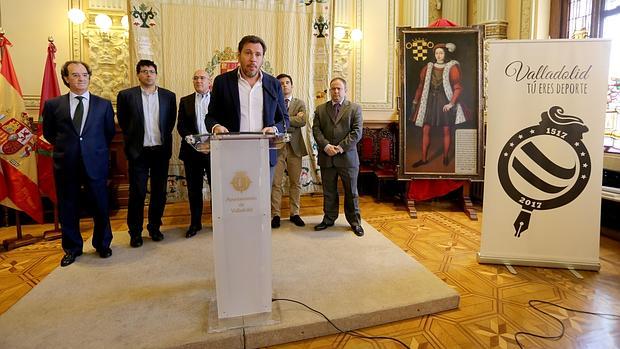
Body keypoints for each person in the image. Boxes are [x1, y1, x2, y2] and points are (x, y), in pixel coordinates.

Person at [42, 60, 115, 266]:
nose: (81, 78)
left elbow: (108, 133)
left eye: (84, 74)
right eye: (75, 75)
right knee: (68, 207)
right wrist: (70, 148)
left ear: (89, 77)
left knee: (100, 206)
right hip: (66, 164)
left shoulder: (103, 104)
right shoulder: (54, 105)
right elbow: (49, 134)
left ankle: (103, 244)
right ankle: (72, 248)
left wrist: (91, 150)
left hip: (96, 163)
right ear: (66, 78)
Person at [204, 35, 289, 184]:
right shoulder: (222, 82)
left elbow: (284, 120)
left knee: (261, 204)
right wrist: (216, 126)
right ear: (239, 55)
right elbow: (210, 117)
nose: (253, 59)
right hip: (231, 155)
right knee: (232, 203)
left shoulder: (273, 84)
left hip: (264, 155)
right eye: (248, 53)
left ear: (263, 58)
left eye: (258, 54)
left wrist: (275, 129)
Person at [117, 60, 177, 248]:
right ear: (138, 74)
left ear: (156, 74)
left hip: (160, 150)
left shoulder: (169, 96)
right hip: (138, 152)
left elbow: (169, 123)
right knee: (138, 192)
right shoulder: (126, 96)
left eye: (152, 71)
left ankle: (154, 227)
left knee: (159, 192)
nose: (148, 75)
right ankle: (135, 232)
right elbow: (124, 123)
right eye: (144, 71)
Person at [312, 77, 364, 237]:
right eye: (333, 88)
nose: (335, 91)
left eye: (339, 89)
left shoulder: (355, 109)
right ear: (329, 90)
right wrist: (326, 146)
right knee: (329, 192)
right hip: (327, 157)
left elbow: (357, 132)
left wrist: (340, 147)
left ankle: (355, 222)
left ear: (345, 91)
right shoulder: (320, 109)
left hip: (348, 158)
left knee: (351, 192)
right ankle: (328, 219)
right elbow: (316, 130)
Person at [410, 42, 467, 167]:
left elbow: (458, 88)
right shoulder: (428, 68)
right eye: (437, 53)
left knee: (446, 129)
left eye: (441, 53)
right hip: (429, 101)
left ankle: (445, 157)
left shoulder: (452, 67)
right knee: (425, 129)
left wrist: (451, 103)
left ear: (445, 54)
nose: (439, 55)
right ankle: (424, 159)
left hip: (444, 101)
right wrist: (415, 100)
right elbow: (420, 86)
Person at [178, 69, 212, 238]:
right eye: (196, 78)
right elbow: (181, 127)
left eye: (202, 78)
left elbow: (227, 123)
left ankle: (218, 221)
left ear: (209, 81)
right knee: (194, 190)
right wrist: (196, 143)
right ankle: (195, 223)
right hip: (192, 153)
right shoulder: (185, 101)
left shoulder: (219, 100)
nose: (199, 81)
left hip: (216, 152)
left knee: (218, 190)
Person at [271, 73, 307, 228]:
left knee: (295, 182)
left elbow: (302, 121)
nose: (284, 85)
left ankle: (295, 213)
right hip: (277, 147)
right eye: (281, 83)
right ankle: (275, 215)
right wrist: (292, 118)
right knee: (276, 183)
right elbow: (272, 121)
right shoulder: (273, 103)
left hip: (295, 148)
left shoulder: (300, 103)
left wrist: (284, 120)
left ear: (292, 86)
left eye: (287, 83)